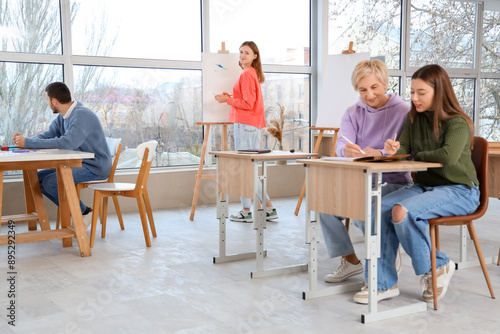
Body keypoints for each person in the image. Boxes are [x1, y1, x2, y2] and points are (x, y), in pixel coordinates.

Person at [353, 64, 480, 304]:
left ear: (439, 91)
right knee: (375, 209)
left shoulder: (458, 122)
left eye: (421, 93)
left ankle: (438, 266)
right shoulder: (413, 118)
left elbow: (447, 156)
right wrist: (394, 149)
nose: (414, 98)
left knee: (402, 212)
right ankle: (383, 284)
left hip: (460, 190)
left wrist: (413, 155)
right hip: (424, 186)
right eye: (412, 92)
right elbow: (405, 148)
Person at [319, 59, 412, 283]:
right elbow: (341, 143)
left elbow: (410, 150)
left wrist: (382, 153)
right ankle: (350, 261)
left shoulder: (404, 111)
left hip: (397, 181)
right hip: (363, 179)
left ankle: (386, 258)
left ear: (385, 84)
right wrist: (345, 150)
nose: (369, 95)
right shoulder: (352, 112)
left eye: (374, 88)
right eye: (362, 90)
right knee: (325, 205)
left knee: (366, 209)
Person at [12, 82, 112, 229]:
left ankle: (82, 213)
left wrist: (28, 143)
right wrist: (27, 141)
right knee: (37, 180)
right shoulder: (64, 117)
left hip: (95, 166)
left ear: (54, 101)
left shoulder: (82, 114)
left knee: (51, 182)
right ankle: (83, 211)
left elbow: (67, 143)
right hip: (80, 163)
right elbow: (48, 135)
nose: (48, 103)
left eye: (47, 100)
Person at [215, 41, 277, 223]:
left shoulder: (247, 74)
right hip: (250, 125)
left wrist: (228, 100)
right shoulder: (252, 74)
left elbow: (248, 104)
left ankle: (252, 209)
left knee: (246, 170)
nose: (242, 55)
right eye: (241, 52)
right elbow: (247, 101)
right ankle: (259, 208)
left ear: (255, 56)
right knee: (248, 169)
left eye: (247, 53)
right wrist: (231, 97)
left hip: (245, 125)